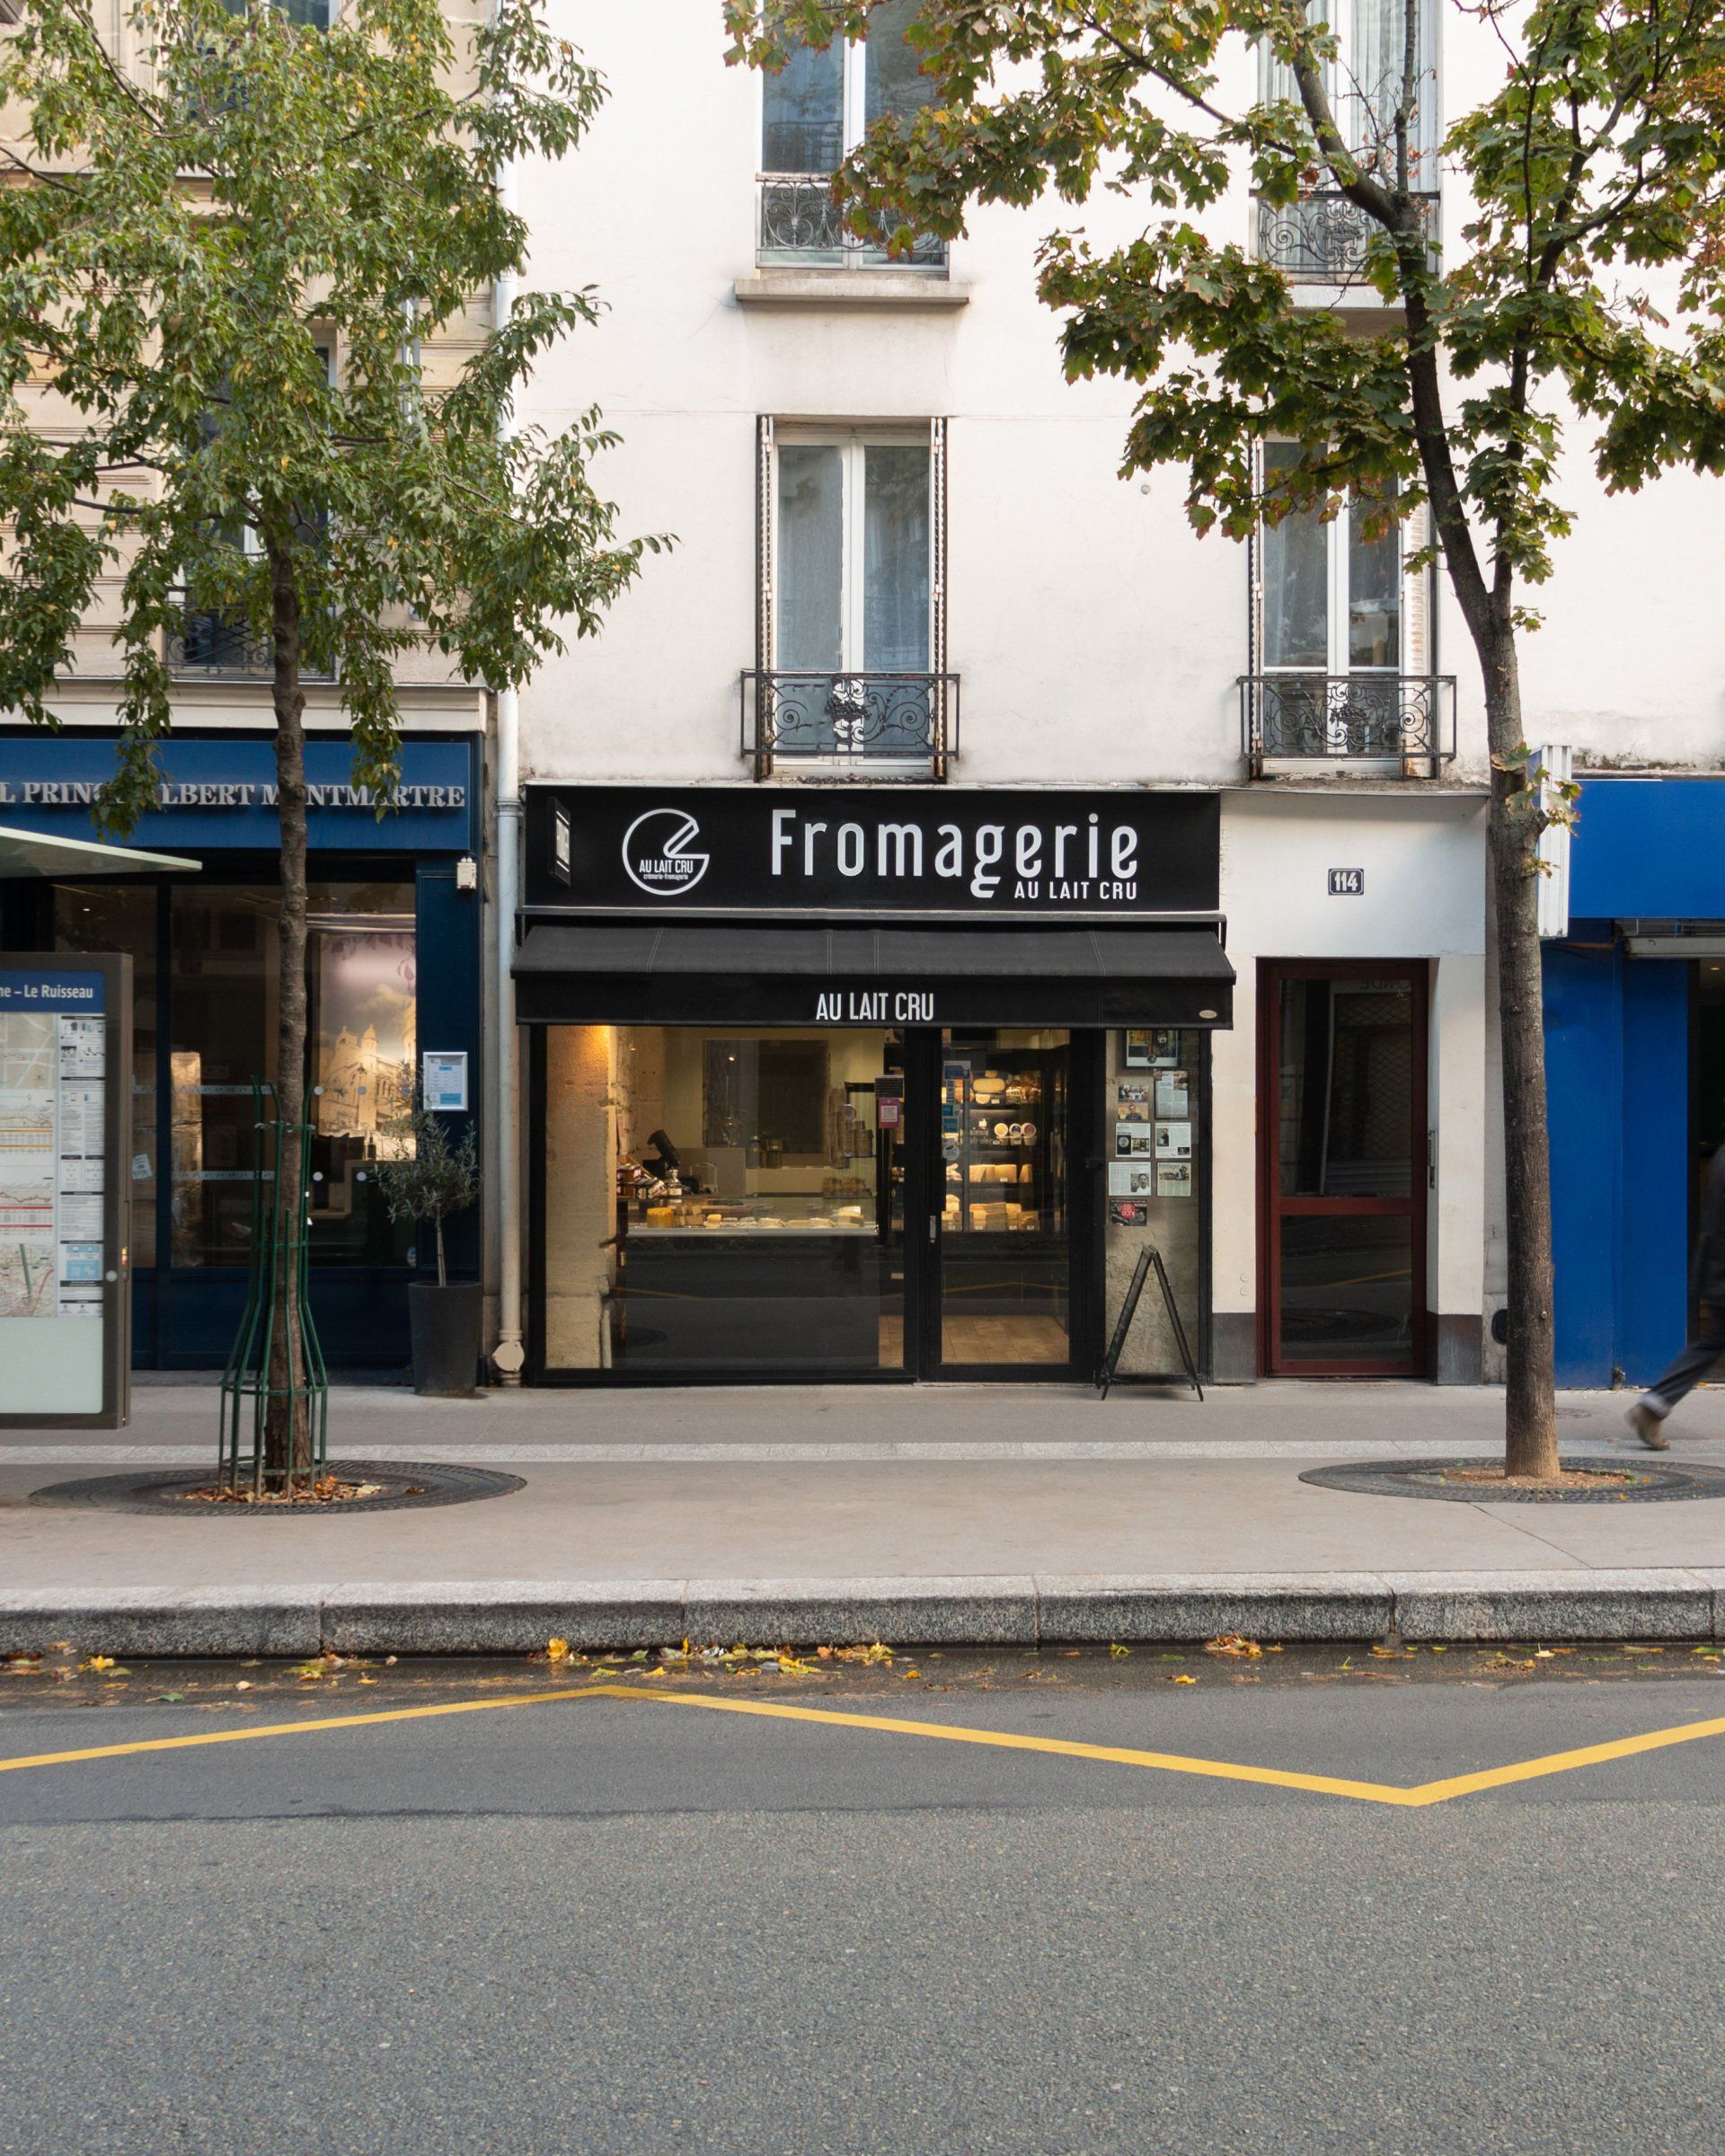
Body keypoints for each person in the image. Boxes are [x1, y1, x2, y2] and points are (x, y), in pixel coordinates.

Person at [1626, 1135, 1725, 1447]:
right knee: (1712, 1343)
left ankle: (1654, 1405)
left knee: (1711, 1343)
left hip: (1716, 1267)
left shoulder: (1722, 1155)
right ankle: (1653, 1406)